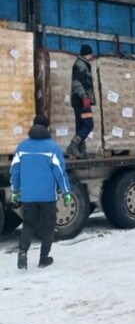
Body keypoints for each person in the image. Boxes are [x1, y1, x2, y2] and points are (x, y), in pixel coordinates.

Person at [10, 115, 72, 270]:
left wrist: (15, 191)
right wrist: (66, 192)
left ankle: (22, 252)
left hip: (28, 196)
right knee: (48, 225)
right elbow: (60, 173)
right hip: (47, 196)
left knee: (29, 224)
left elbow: (15, 171)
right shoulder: (52, 148)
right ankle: (43, 258)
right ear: (48, 128)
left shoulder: (22, 147)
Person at [67, 44, 95, 159]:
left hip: (79, 101)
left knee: (80, 125)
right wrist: (84, 97)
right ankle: (73, 146)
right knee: (89, 124)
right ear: (89, 53)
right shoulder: (80, 64)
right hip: (82, 102)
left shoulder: (82, 64)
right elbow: (76, 83)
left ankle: (81, 151)